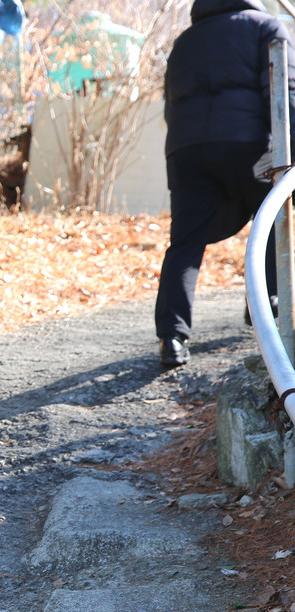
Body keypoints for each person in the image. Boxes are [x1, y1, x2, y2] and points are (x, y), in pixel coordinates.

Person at [156, 0, 295, 366]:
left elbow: (170, 105)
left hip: (186, 151)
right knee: (271, 216)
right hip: (249, 147)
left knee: (184, 241)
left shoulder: (184, 41)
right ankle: (265, 309)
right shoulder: (266, 27)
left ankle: (172, 337)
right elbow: (285, 93)